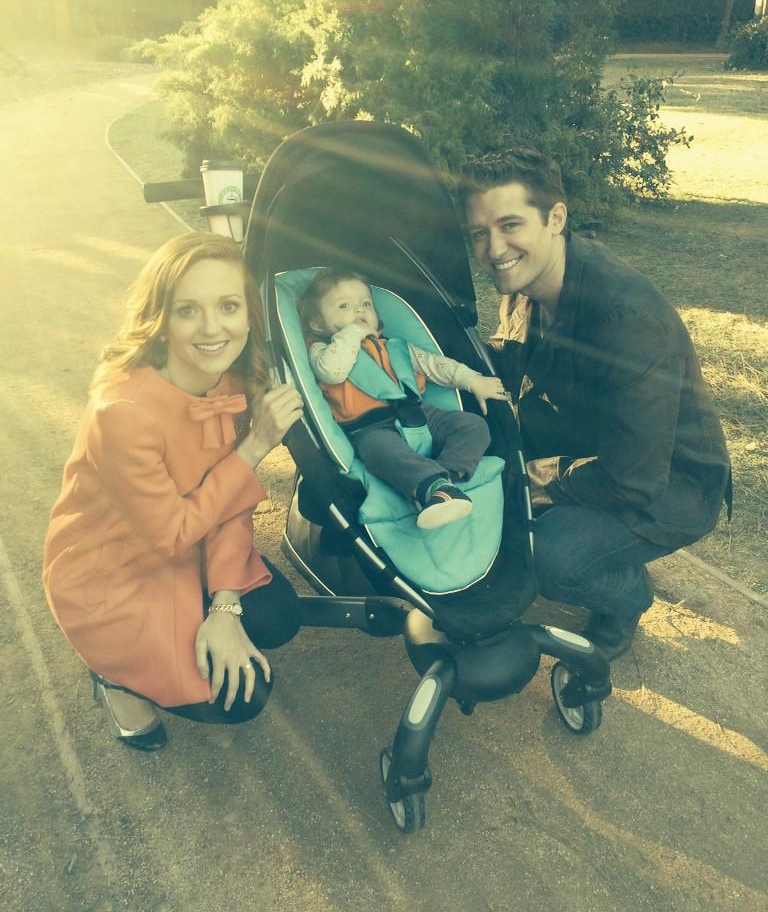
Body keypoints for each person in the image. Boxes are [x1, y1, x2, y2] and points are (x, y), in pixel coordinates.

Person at [458, 149, 731, 660]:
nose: (493, 249)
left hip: (668, 482)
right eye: (479, 233)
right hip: (590, 438)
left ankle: (627, 596)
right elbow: (514, 355)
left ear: (555, 218)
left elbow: (636, 479)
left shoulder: (627, 324)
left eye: (510, 225)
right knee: (482, 483)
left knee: (548, 554)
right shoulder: (526, 279)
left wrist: (535, 482)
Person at [43, 233, 305, 750]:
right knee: (240, 697)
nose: (212, 328)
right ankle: (113, 676)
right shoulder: (121, 413)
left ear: (248, 313)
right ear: (161, 318)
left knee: (277, 617)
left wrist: (225, 607)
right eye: (188, 310)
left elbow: (233, 501)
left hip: (192, 543)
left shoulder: (230, 379)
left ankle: (190, 628)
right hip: (116, 572)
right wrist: (254, 446)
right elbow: (172, 533)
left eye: (228, 306)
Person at [299, 269, 507, 528]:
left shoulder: (394, 347)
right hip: (372, 429)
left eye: (366, 304)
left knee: (474, 426)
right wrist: (352, 333)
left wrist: (473, 381)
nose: (359, 310)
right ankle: (433, 485)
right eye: (344, 306)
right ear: (318, 324)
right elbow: (333, 372)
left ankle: (444, 483)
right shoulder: (324, 352)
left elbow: (436, 366)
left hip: (420, 413)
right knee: (382, 454)